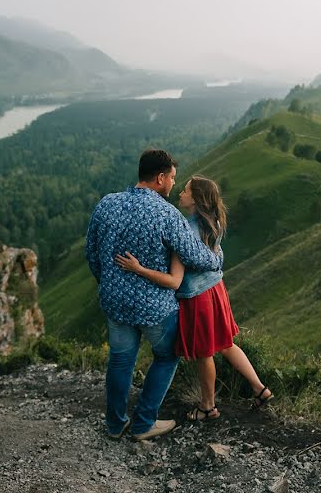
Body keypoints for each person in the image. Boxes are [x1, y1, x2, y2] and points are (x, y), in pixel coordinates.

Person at [86, 150, 223, 441]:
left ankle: (114, 424)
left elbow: (92, 254)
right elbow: (194, 255)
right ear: (160, 178)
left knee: (120, 361)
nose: (174, 184)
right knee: (167, 356)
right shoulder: (166, 213)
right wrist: (217, 259)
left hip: (116, 302)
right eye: (172, 178)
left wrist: (108, 282)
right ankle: (144, 423)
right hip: (155, 307)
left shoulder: (106, 204)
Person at [114, 175, 273, 422]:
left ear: (196, 199)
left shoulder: (187, 231)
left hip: (197, 297)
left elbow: (175, 278)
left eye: (186, 191)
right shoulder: (214, 222)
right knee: (226, 344)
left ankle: (208, 406)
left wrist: (139, 268)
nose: (180, 193)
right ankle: (259, 388)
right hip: (215, 290)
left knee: (204, 353)